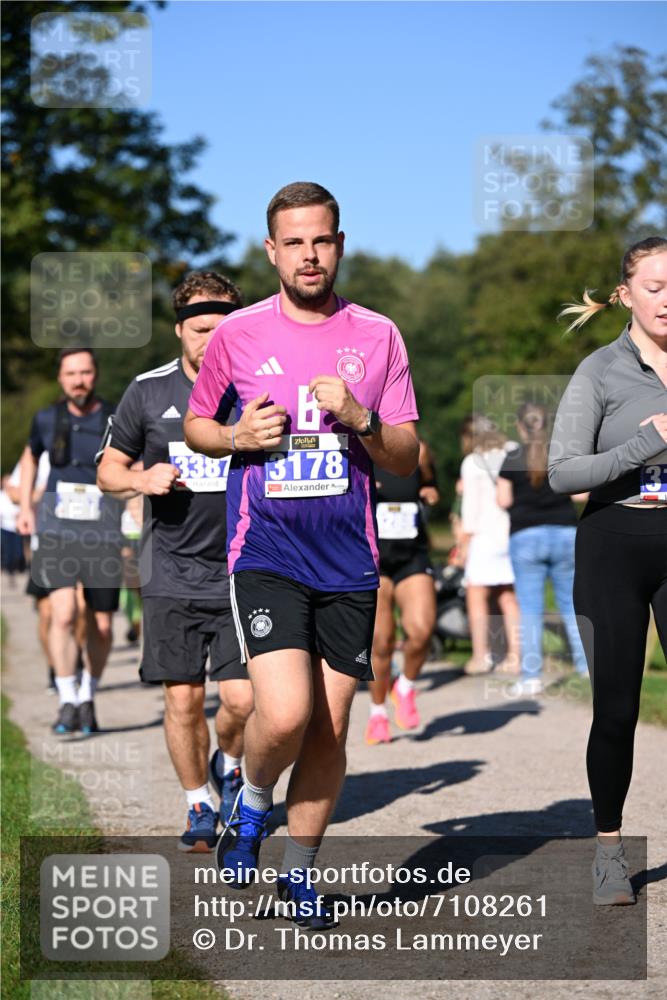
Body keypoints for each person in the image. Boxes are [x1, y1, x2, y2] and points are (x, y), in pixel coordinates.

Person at [184, 182, 419, 926]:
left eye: (321, 240)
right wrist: (234, 438)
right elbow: (196, 425)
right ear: (271, 250)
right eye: (294, 242)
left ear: (339, 244)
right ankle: (250, 806)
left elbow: (407, 456)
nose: (308, 255)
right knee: (282, 714)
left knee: (329, 728)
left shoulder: (377, 334)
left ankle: (299, 875)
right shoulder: (239, 334)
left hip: (348, 560)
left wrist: (361, 418)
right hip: (267, 551)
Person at [97, 271, 254, 852]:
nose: (211, 340)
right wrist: (141, 477)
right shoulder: (148, 391)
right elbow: (107, 470)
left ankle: (229, 760)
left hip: (244, 568)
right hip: (170, 571)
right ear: (179, 330)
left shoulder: (256, 387)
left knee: (243, 700)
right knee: (183, 698)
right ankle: (197, 803)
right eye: (199, 329)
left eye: (223, 328)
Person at [549, 236, 667, 905]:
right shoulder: (598, 370)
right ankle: (608, 852)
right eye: (652, 287)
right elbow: (563, 473)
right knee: (617, 709)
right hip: (612, 547)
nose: (664, 300)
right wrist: (646, 440)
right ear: (624, 294)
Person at [17, 349, 121, 735]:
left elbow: (136, 460)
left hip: (103, 531)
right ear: (61, 379)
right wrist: (27, 505)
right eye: (71, 373)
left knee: (104, 626)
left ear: (95, 374)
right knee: (62, 614)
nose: (79, 380)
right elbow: (30, 457)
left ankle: (88, 694)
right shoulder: (46, 418)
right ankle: (66, 698)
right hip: (57, 530)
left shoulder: (115, 417)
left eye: (86, 372)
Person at [496, 403, 589, 689]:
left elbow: (503, 501)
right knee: (573, 605)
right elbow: (580, 495)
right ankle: (588, 668)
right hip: (565, 534)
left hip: (526, 537)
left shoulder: (511, 457)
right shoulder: (560, 453)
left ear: (520, 426)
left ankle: (531, 677)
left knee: (530, 610)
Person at [365, 439, 439, 744]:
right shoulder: (361, 448)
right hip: (374, 557)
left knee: (422, 630)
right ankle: (378, 712)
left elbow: (431, 484)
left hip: (412, 554)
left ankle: (405, 687)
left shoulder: (418, 448)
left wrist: (430, 492)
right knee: (381, 641)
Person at [458, 416, 521, 675]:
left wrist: (463, 542)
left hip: (484, 535)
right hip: (513, 531)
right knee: (508, 597)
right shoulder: (513, 451)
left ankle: (480, 655)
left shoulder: (472, 463)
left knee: (477, 596)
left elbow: (470, 510)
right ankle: (516, 656)